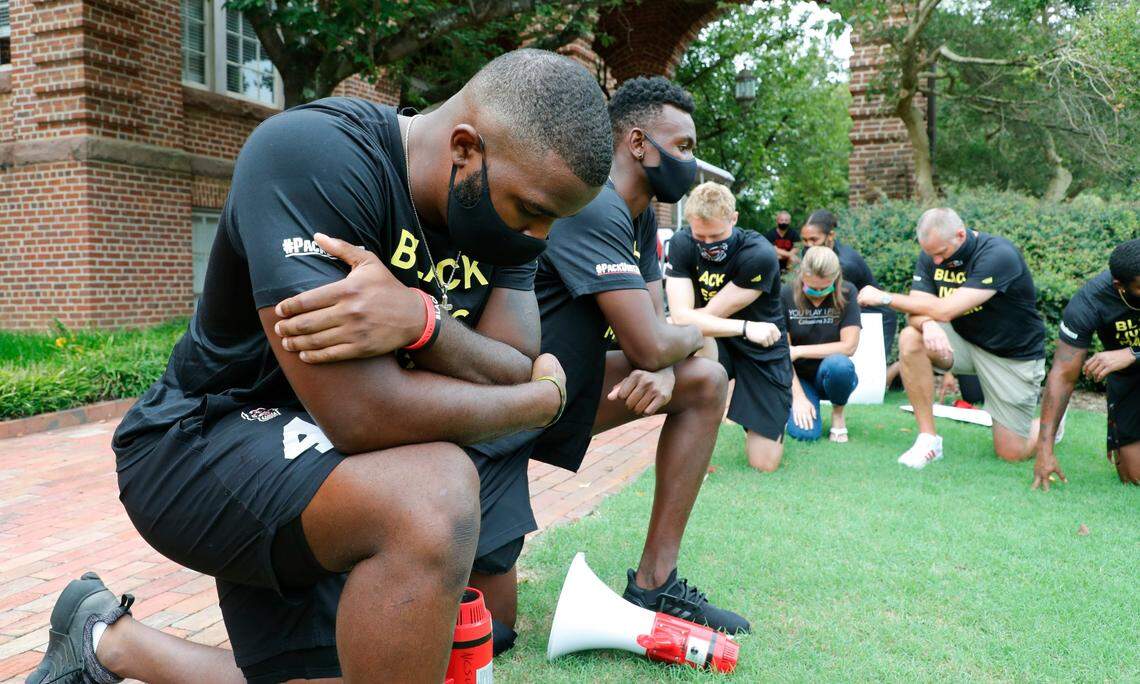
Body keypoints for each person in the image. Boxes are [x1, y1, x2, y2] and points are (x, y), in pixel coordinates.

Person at [28, 49, 614, 684]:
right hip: (199, 440)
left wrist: (423, 326)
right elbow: (363, 413)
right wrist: (542, 402)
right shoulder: (315, 155)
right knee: (434, 491)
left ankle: (105, 640)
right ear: (466, 148)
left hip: (335, 470)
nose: (540, 237)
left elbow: (514, 360)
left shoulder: (498, 218)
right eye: (531, 212)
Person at [258, 75, 751, 653]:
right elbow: (649, 339)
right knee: (489, 630)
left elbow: (653, 326)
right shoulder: (582, 206)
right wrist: (696, 334)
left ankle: (654, 584)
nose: (539, 235)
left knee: (702, 381)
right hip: (486, 411)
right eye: (684, 146)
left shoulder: (623, 217)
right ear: (639, 143)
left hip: (543, 385)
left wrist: (668, 356)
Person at [857, 207, 1047, 469]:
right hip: (963, 342)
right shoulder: (931, 254)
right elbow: (918, 311)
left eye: (941, 253)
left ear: (960, 235)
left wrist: (885, 297)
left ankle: (1052, 423)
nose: (935, 261)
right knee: (912, 337)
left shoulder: (998, 255)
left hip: (1011, 355)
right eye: (930, 254)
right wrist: (930, 326)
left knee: (1011, 452)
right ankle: (928, 439)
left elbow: (947, 309)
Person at [664, 181, 789, 472]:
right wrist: (746, 327)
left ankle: (759, 412)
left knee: (764, 464)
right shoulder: (682, 244)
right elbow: (684, 318)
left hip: (764, 350)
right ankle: (697, 433)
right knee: (695, 336)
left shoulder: (758, 254)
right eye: (700, 235)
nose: (708, 245)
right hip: (723, 339)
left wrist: (683, 319)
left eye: (716, 235)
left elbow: (706, 313)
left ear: (733, 219)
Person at [1032, 238, 1140, 490]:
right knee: (1134, 476)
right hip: (1131, 381)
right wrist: (1044, 450)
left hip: (1132, 360)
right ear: (1120, 286)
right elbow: (1062, 374)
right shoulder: (1090, 303)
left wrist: (1133, 353)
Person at [783, 247, 862, 443]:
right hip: (799, 378)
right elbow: (783, 354)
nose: (817, 293)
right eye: (811, 287)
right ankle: (793, 405)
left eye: (824, 287)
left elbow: (849, 347)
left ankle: (838, 414)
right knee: (805, 434)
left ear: (836, 278)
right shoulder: (784, 294)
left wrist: (799, 351)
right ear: (801, 274)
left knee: (840, 364)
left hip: (832, 374)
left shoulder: (847, 293)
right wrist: (799, 398)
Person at [799, 209, 898, 364]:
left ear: (830, 236)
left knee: (871, 373)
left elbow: (831, 303)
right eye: (804, 240)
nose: (808, 245)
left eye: (814, 239)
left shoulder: (844, 264)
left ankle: (897, 369)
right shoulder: (812, 251)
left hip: (876, 316)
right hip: (854, 309)